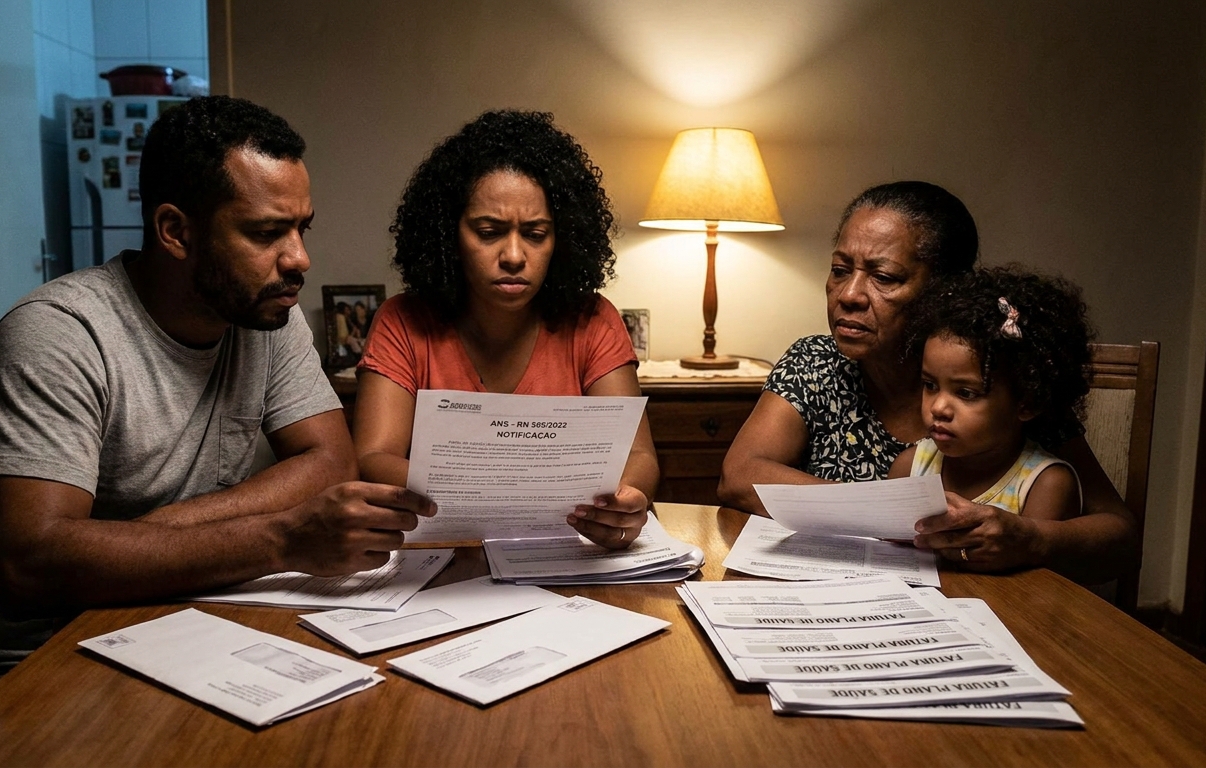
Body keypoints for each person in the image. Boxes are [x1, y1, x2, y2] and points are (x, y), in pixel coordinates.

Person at [0, 96, 434, 721]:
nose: (299, 258)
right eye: (267, 232)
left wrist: (150, 535)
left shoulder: (268, 316)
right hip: (27, 665)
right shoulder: (59, 335)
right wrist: (280, 537)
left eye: (303, 228)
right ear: (175, 231)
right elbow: (30, 563)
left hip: (186, 626)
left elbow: (329, 460)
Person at [718, 181, 1137, 581]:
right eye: (840, 270)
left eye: (884, 277)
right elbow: (740, 475)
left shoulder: (1002, 377)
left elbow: (1119, 538)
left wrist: (1032, 538)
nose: (849, 294)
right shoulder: (816, 361)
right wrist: (888, 514)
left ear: (944, 290)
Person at [352, 110, 656, 549]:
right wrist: (498, 491)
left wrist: (627, 501)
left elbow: (639, 455)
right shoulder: (403, 320)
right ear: (448, 235)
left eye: (535, 234)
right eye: (489, 232)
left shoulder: (593, 319)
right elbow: (372, 457)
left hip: (564, 555)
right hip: (440, 552)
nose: (513, 255)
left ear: (561, 239)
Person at [889, 267, 1093, 556]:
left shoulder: (1046, 484)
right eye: (930, 385)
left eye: (966, 393)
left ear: (1027, 403)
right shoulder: (910, 468)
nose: (938, 407)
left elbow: (1038, 585)